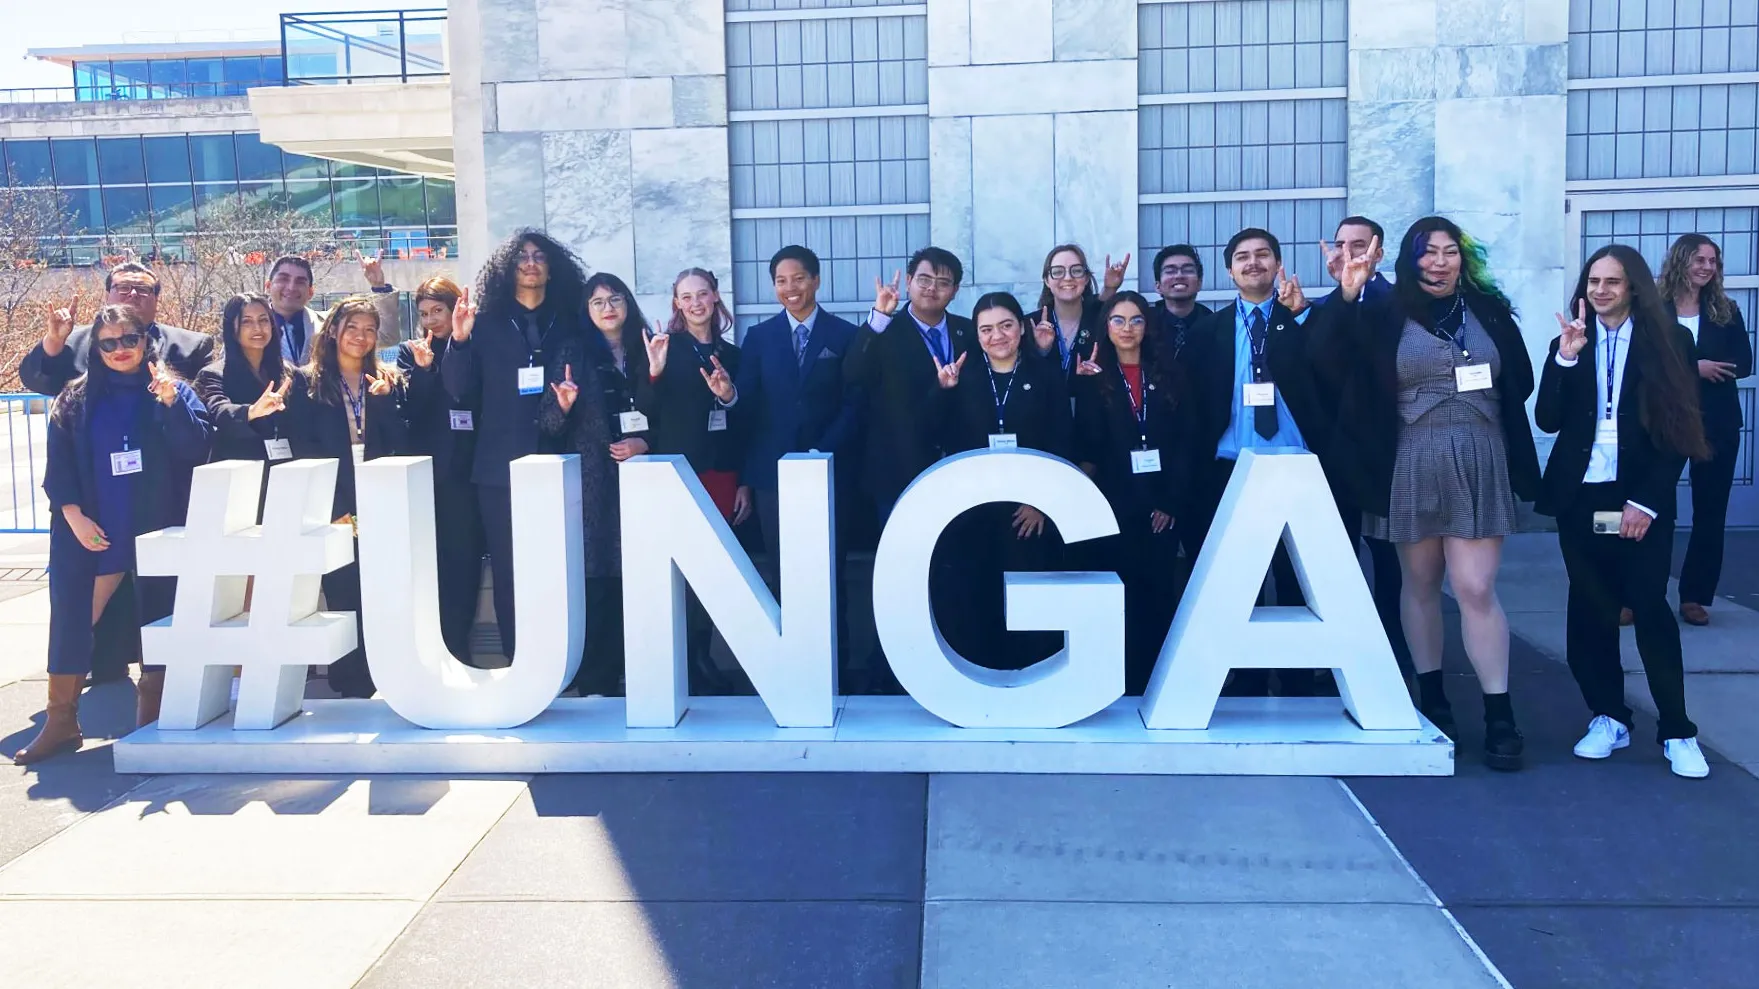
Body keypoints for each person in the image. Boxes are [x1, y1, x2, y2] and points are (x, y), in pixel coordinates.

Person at [1326, 217, 1542, 770]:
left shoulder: (1488, 309)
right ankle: (1434, 696)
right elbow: (1327, 360)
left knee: (1474, 586)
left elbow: (1520, 376)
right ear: (1410, 258)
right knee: (1419, 584)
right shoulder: (1381, 311)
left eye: (1450, 252)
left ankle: (1500, 712)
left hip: (1479, 454)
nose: (1440, 261)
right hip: (1410, 459)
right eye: (1429, 252)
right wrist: (1347, 296)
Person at [1537, 245, 1712, 779]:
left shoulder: (1669, 341)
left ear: (1633, 286)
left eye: (1613, 281)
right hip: (1581, 497)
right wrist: (1565, 358)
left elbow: (1680, 427)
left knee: (1648, 607)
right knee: (1589, 611)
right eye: (1594, 281)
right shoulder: (1570, 342)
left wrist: (1648, 501)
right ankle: (1608, 716)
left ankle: (1677, 731)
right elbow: (1547, 419)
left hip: (1636, 498)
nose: (1601, 290)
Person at [15, 305, 213, 764]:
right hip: (91, 528)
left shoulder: (171, 389)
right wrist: (73, 517)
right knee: (73, 618)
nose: (120, 349)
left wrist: (172, 403)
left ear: (146, 341)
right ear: (96, 349)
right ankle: (61, 719)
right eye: (108, 342)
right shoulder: (75, 397)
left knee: (159, 616)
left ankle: (154, 715)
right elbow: (58, 466)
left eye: (129, 339)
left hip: (154, 523)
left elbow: (197, 449)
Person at [1181, 227, 1327, 696]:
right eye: (1242, 257)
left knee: (1295, 578)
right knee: (1236, 577)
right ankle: (1237, 676)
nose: (1253, 263)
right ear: (1229, 270)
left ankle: (1299, 677)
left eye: (1263, 255)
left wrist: (1301, 315)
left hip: (1295, 463)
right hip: (1231, 465)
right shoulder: (1209, 330)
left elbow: (1331, 371)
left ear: (1278, 264)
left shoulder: (1305, 318)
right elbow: (1194, 405)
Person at [442, 230, 588, 660]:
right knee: (509, 569)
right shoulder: (483, 323)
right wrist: (460, 339)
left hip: (560, 460)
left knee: (558, 568)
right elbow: (457, 388)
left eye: (539, 256)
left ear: (551, 267)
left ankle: (562, 660)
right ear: (508, 268)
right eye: (522, 256)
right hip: (497, 468)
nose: (530, 262)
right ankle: (518, 659)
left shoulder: (570, 319)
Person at [731, 246, 863, 685]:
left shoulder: (845, 336)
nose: (791, 288)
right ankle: (793, 672)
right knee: (783, 572)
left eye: (799, 278)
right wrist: (728, 397)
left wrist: (821, 452)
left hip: (830, 471)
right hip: (772, 479)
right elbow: (747, 411)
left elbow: (854, 404)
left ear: (817, 280)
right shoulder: (759, 338)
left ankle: (835, 669)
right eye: (781, 281)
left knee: (831, 572)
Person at [926, 291, 1073, 670]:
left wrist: (1042, 502)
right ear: (976, 336)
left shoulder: (1045, 376)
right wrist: (942, 392)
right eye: (986, 329)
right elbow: (935, 434)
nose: (997, 336)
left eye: (1006, 325)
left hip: (1029, 514)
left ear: (1021, 329)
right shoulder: (964, 376)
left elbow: (1061, 440)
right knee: (977, 595)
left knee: (1031, 599)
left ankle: (1032, 672)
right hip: (974, 511)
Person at [283, 298, 410, 698]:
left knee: (382, 588)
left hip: (379, 498)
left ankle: (383, 674)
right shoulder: (306, 382)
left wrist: (385, 401)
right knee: (342, 590)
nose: (361, 337)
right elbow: (302, 446)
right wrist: (335, 508)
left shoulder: (388, 379)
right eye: (353, 327)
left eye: (370, 330)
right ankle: (349, 679)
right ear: (334, 330)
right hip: (332, 500)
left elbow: (401, 443)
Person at [537, 272, 655, 697]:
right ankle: (597, 679)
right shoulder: (573, 351)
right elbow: (548, 423)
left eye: (615, 299)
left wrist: (645, 441)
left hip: (645, 479)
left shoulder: (648, 345)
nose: (608, 308)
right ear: (586, 310)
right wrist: (564, 404)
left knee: (642, 578)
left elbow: (669, 413)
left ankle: (641, 673)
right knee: (599, 578)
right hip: (595, 484)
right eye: (597, 301)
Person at [1072, 291, 1191, 693]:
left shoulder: (1171, 374)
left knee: (1157, 594)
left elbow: (1184, 443)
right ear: (1106, 327)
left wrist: (1171, 500)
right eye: (1118, 320)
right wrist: (1083, 385)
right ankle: (1120, 682)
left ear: (1148, 326)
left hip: (1161, 505)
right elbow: (1089, 445)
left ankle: (1157, 683)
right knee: (1118, 595)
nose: (1127, 329)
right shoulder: (1093, 377)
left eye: (1136, 320)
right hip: (1114, 505)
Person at [1315, 216, 1410, 675]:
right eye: (1341, 244)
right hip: (1337, 456)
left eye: (1360, 243)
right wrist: (1344, 294)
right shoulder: (1327, 304)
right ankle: (1337, 657)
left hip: (1390, 455)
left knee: (1391, 566)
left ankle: (1394, 657)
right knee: (1336, 560)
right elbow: (1318, 361)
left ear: (1380, 251)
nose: (1350, 251)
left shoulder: (1401, 303)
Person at [646, 267, 745, 693]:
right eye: (686, 297)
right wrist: (654, 370)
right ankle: (686, 663)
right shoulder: (665, 348)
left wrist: (728, 396)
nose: (696, 303)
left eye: (702, 294)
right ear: (676, 304)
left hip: (722, 472)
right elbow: (645, 412)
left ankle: (703, 656)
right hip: (680, 472)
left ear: (715, 296)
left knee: (714, 569)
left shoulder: (733, 354)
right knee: (682, 571)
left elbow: (747, 420)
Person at [1658, 234, 1751, 627]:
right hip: (1665, 423)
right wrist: (1694, 367)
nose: (1707, 267)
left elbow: (1743, 363)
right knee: (1653, 510)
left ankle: (1695, 596)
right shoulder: (1653, 309)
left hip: (1718, 424)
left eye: (1713, 261)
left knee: (1709, 514)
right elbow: (1644, 361)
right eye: (1699, 259)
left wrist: (1700, 365)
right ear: (1681, 261)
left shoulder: (1725, 310)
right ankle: (1637, 593)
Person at [847, 247, 977, 524]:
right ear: (908, 282)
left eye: (943, 283)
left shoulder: (968, 331)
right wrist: (879, 316)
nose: (932, 289)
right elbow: (853, 374)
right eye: (924, 280)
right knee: (900, 559)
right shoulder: (884, 330)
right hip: (897, 467)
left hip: (957, 464)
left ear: (954, 291)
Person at [397, 276, 486, 667]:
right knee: (429, 565)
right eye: (426, 314)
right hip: (427, 476)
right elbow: (409, 412)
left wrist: (458, 347)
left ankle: (459, 642)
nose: (432, 321)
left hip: (469, 474)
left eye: (439, 311)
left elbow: (472, 395)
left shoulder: (474, 346)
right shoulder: (408, 352)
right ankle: (432, 648)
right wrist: (424, 371)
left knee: (464, 562)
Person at [19, 262, 216, 396]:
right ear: (107, 295)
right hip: (94, 450)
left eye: (142, 289)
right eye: (123, 288)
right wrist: (54, 340)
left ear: (157, 299)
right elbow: (40, 384)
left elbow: (202, 403)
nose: (132, 294)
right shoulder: (72, 342)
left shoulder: (192, 346)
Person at [193, 293, 293, 514]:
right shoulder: (213, 374)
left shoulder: (288, 373)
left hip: (286, 481)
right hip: (238, 485)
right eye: (247, 321)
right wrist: (251, 411)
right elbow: (219, 410)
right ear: (232, 328)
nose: (257, 328)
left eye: (264, 320)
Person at [265, 254, 401, 364]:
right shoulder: (247, 327)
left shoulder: (330, 323)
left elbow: (387, 337)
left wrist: (379, 287)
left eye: (300, 281)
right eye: (283, 279)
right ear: (268, 286)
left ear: (311, 292)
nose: (291, 287)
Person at [1030, 244, 1127, 378]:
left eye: (1076, 270)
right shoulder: (1030, 325)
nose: (1068, 277)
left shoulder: (1102, 322)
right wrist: (1042, 350)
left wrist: (1110, 288)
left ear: (1086, 278)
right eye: (1058, 272)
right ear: (1047, 280)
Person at [1145, 244, 1212, 363]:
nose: (1179, 275)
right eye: (1170, 271)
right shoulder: (1145, 323)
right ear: (1158, 286)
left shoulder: (1214, 325)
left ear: (1199, 283)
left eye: (1187, 270)